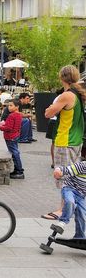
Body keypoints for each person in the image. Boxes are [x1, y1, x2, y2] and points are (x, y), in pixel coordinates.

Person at [42, 65, 86, 220]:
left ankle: (63, 210)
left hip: (65, 141)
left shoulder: (66, 95)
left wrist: (51, 108)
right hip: (76, 141)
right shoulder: (79, 94)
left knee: (64, 177)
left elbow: (48, 113)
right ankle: (72, 206)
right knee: (73, 175)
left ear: (62, 77)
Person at [53, 160, 86, 239]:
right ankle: (63, 222)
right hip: (70, 189)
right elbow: (65, 169)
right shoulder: (82, 165)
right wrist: (58, 171)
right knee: (70, 202)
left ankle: (79, 237)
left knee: (82, 216)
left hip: (81, 195)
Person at [0, 99, 25, 179]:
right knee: (15, 152)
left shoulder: (12, 115)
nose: (9, 107)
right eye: (8, 105)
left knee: (15, 153)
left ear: (17, 107)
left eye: (11, 105)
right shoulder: (18, 115)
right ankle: (17, 169)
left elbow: (8, 128)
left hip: (10, 137)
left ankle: (19, 171)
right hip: (15, 136)